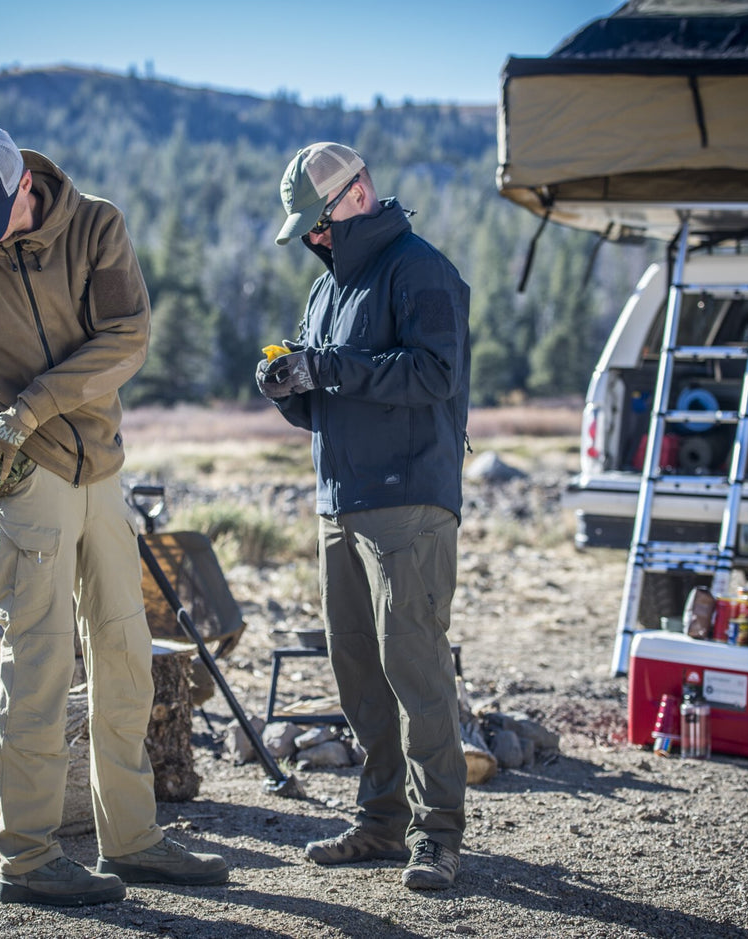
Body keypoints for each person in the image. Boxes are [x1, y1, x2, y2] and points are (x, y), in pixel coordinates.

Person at [0, 125, 228, 907]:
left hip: (101, 465)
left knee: (127, 656)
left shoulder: (95, 225)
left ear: (26, 183)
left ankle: (132, 840)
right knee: (40, 662)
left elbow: (128, 338)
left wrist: (32, 407)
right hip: (26, 480)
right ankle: (26, 858)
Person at [257, 142, 471, 890]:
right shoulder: (327, 292)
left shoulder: (419, 268)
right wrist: (291, 388)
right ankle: (380, 820)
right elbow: (330, 406)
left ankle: (438, 834)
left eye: (316, 223)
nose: (313, 239)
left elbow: (434, 371)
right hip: (340, 502)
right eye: (306, 230)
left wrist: (330, 367)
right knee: (358, 671)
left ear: (356, 196)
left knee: (415, 668)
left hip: (409, 500)